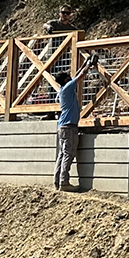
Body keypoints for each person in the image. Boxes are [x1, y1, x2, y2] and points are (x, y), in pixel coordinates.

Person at [55, 62, 91, 191]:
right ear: (66, 80)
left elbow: (75, 76)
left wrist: (84, 64)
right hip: (69, 126)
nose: (70, 77)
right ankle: (64, 182)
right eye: (68, 76)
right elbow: (81, 75)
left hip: (63, 126)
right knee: (68, 154)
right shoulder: (69, 87)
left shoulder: (63, 90)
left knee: (62, 154)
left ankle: (57, 180)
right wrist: (89, 65)